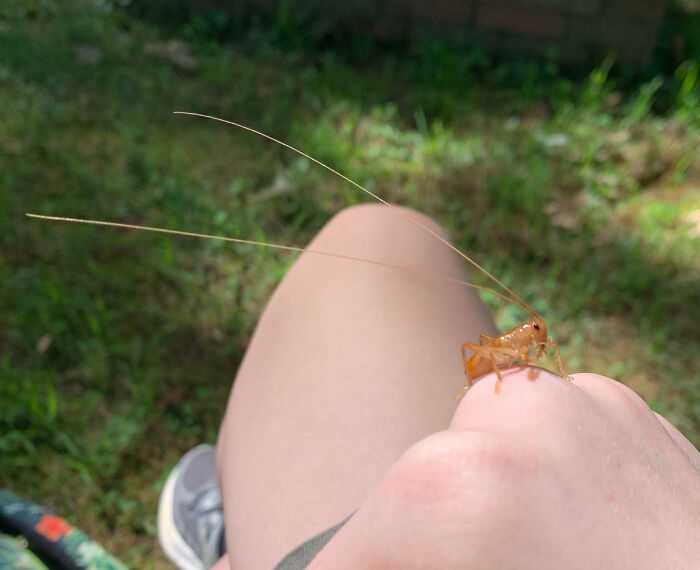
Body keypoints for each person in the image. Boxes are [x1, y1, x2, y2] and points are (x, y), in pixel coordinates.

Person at [157, 204, 700, 570]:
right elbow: (497, 360)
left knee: (378, 235)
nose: (539, 335)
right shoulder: (518, 345)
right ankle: (240, 542)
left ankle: (238, 541)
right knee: (383, 232)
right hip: (488, 372)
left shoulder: (532, 345)